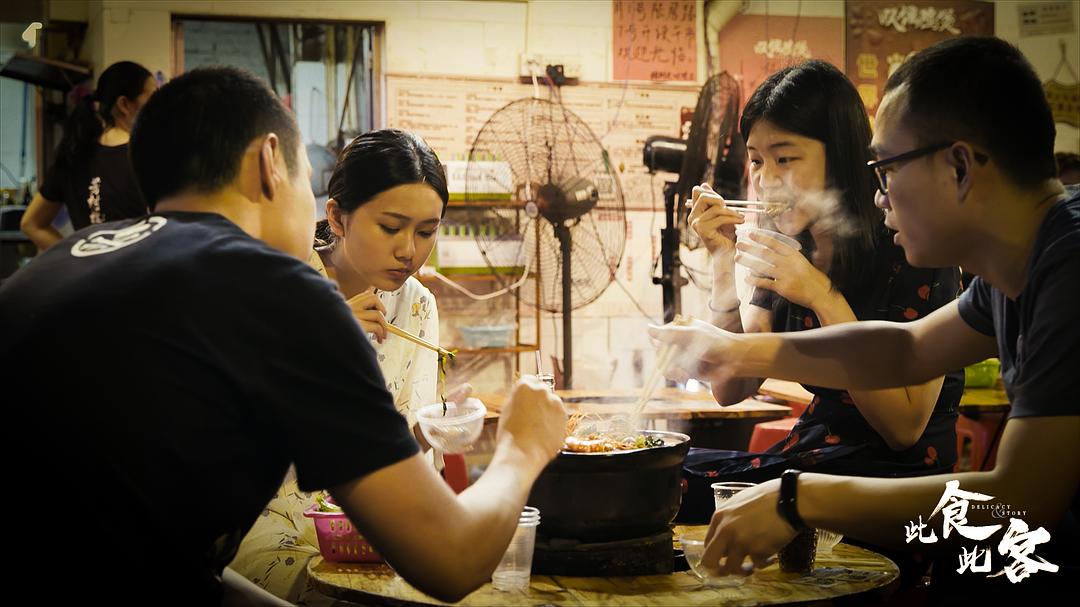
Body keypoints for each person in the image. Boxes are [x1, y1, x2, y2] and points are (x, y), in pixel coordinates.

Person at [0, 66, 567, 606]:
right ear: (270, 161)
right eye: (304, 176)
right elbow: (452, 561)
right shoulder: (280, 290)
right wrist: (522, 445)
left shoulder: (56, 267)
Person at [651, 37, 1077, 601]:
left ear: (958, 167)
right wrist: (732, 350)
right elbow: (906, 350)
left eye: (888, 170)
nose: (879, 197)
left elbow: (1022, 500)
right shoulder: (1017, 266)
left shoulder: (1069, 264)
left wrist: (797, 499)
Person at [679, 59, 962, 523]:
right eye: (756, 160)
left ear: (840, 156)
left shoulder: (912, 248)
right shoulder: (791, 247)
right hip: (812, 459)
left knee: (679, 492)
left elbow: (903, 428)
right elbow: (730, 388)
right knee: (661, 473)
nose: (766, 179)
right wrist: (721, 261)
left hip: (894, 482)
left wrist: (821, 295)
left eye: (785, 158)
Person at [230, 129, 449, 604]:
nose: (408, 250)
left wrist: (439, 429)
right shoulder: (278, 284)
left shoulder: (417, 305)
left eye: (426, 231)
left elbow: (405, 445)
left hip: (368, 526)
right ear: (336, 216)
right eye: (390, 227)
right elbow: (233, 433)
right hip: (271, 519)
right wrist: (323, 338)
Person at [20, 60, 156, 250]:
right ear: (124, 104)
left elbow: (32, 224)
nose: (160, 106)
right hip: (139, 268)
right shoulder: (147, 156)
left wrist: (75, 257)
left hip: (90, 269)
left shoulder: (73, 153)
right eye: (153, 98)